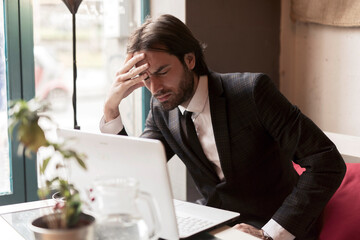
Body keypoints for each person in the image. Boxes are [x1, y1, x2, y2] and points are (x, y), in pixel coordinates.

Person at [100, 14, 346, 240]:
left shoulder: (252, 92)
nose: (154, 88)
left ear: (189, 59)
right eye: (145, 78)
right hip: (216, 228)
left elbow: (327, 162)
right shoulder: (162, 110)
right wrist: (111, 109)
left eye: (162, 72)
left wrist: (268, 233)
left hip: (278, 226)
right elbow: (136, 172)